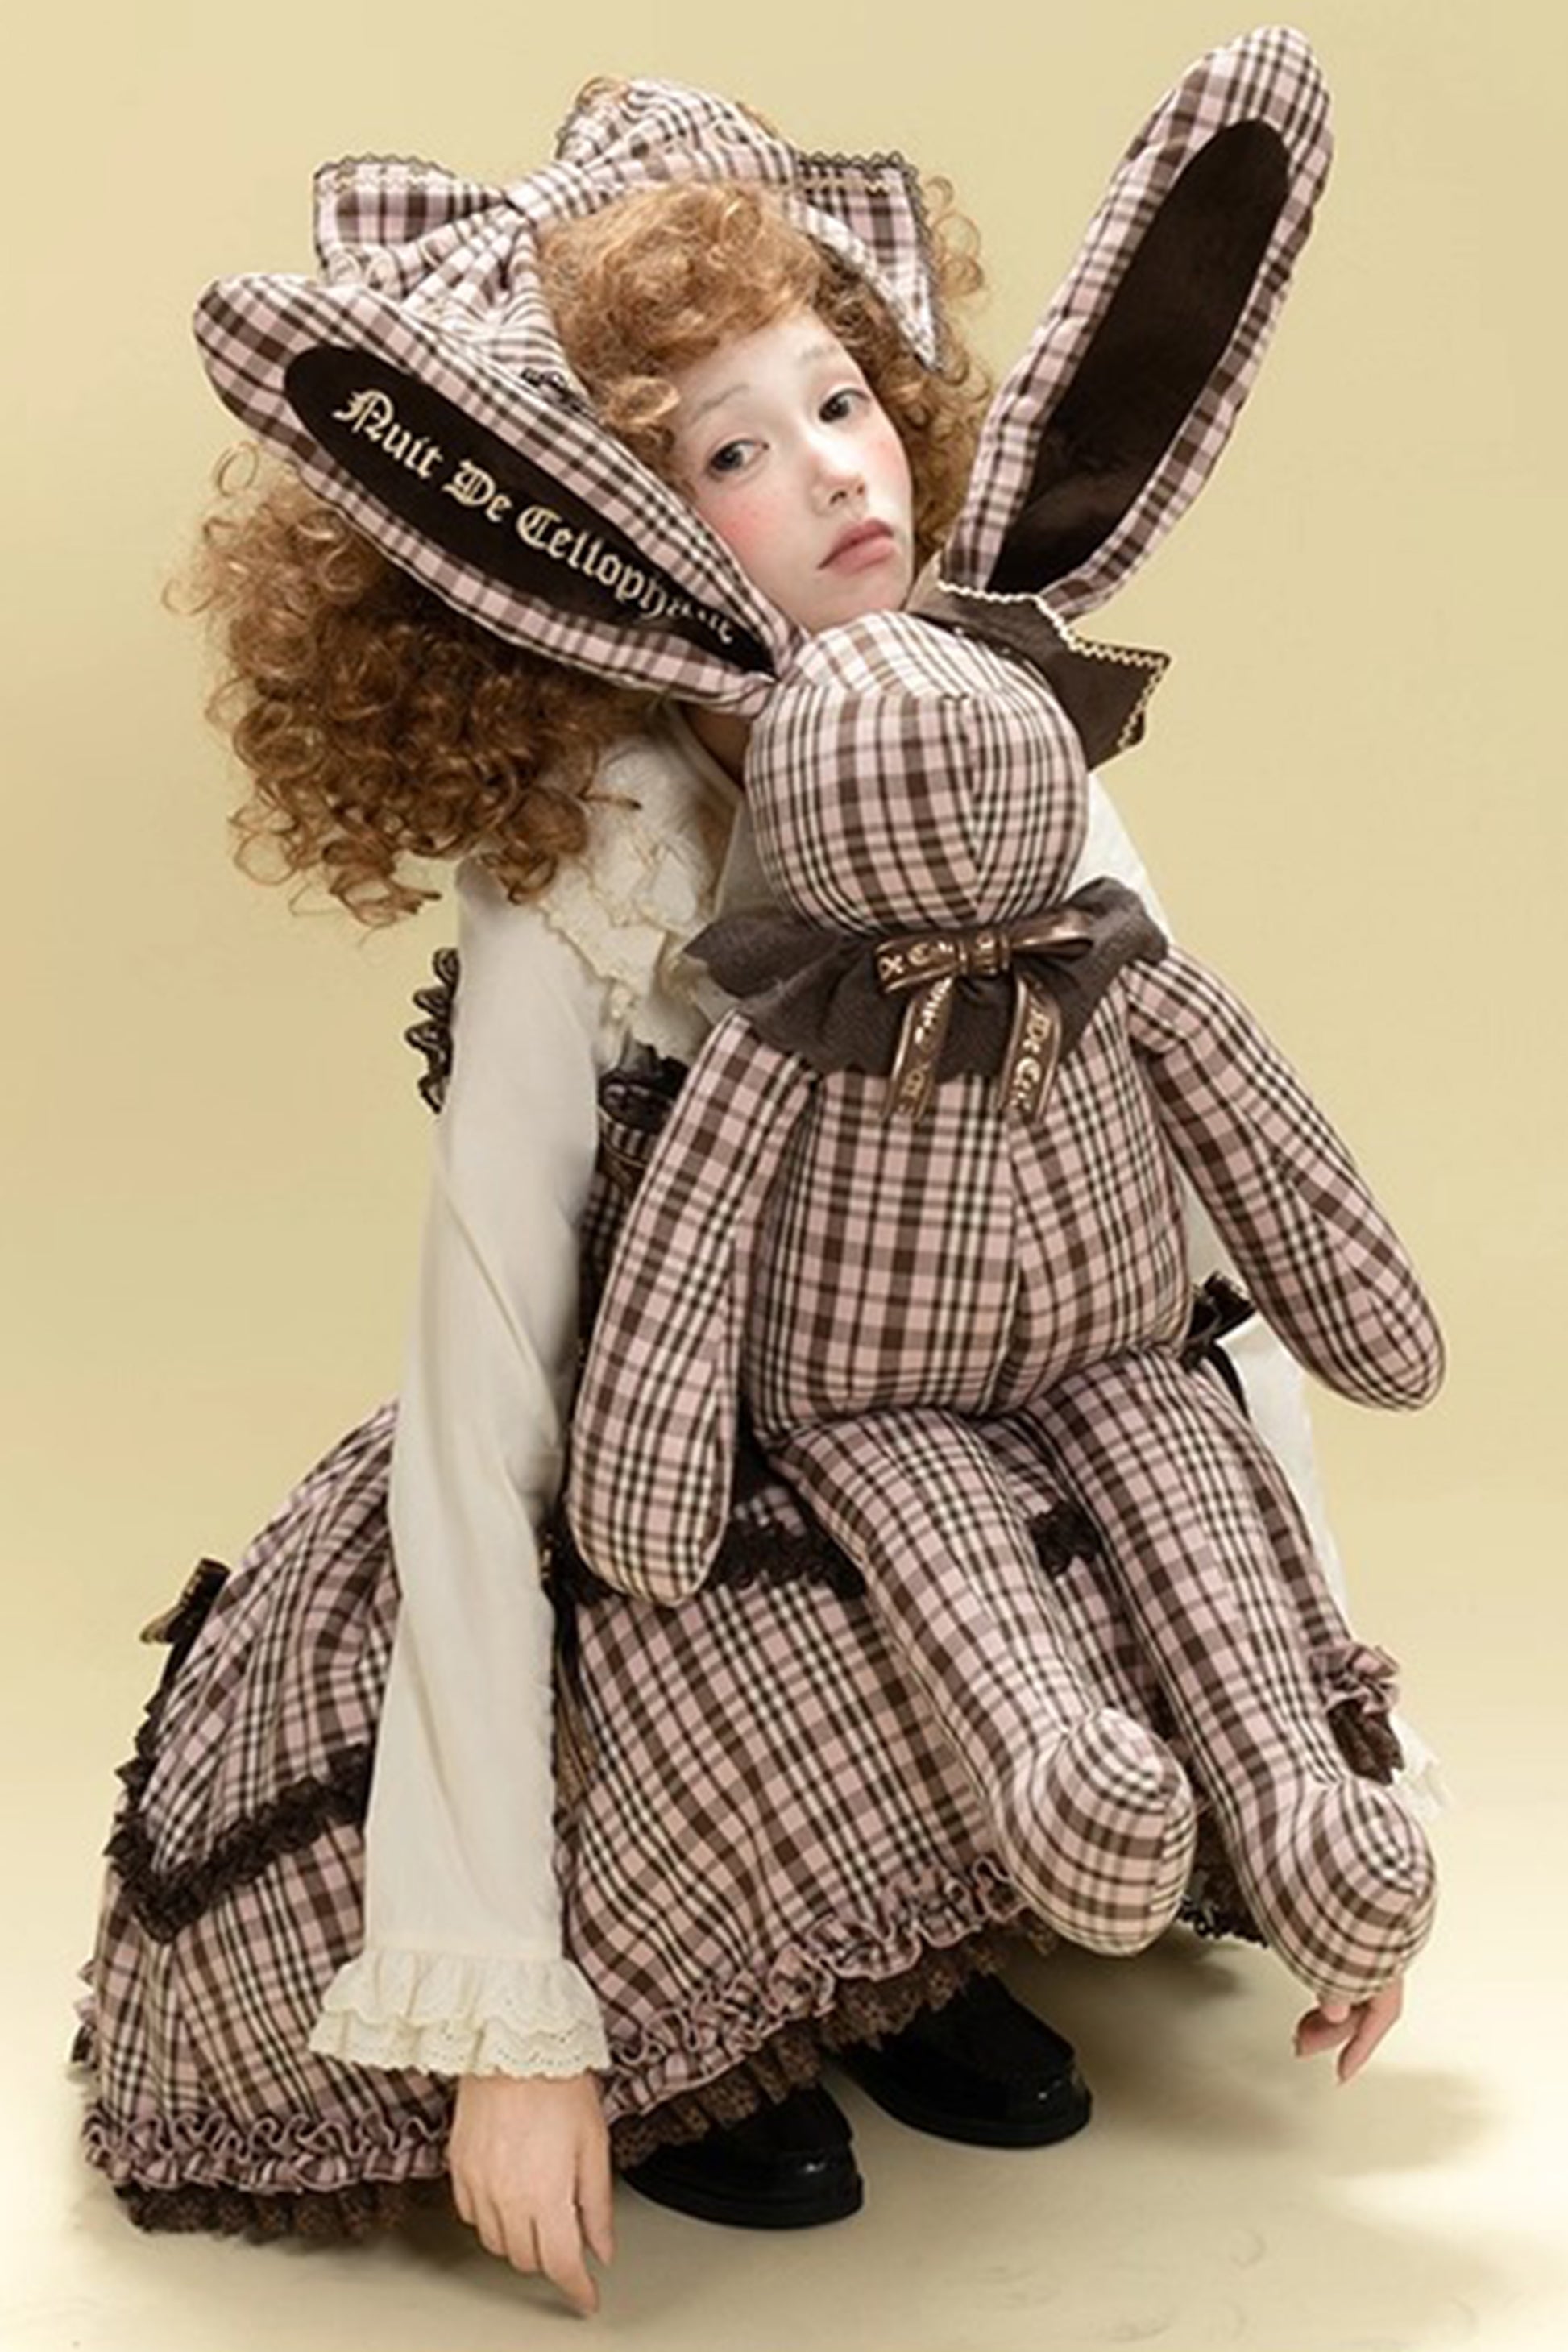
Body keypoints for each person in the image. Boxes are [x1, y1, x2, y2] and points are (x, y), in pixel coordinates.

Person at [77, 52, 1430, 2323]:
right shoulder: (594, 870)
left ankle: (919, 1949)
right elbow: (493, 1391)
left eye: (840, 401)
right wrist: (507, 2021)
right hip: (657, 1474)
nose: (833, 472)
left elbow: (1197, 1278)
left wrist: (1332, 1765)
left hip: (971, 1409)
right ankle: (680, 2012)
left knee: (1090, 1466)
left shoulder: (1010, 759)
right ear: (607, 533)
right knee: (704, 1581)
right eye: (733, 450)